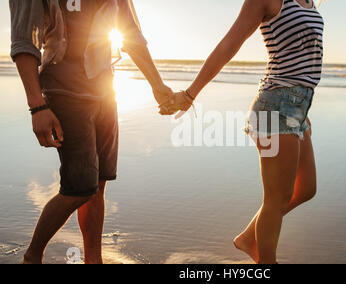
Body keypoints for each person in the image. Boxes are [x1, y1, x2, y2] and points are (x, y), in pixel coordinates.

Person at [10, 0, 173, 264]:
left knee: (97, 185)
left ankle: (93, 260)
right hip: (64, 90)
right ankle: (32, 256)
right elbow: (24, 40)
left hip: (105, 92)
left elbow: (131, 33)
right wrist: (36, 106)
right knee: (79, 187)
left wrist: (157, 85)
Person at [161, 0, 324, 264]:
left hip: (298, 108)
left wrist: (303, 112)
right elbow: (229, 44)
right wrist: (191, 93)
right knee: (276, 198)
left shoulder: (309, 1)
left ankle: (249, 237)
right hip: (276, 105)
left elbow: (303, 60)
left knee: (305, 189)